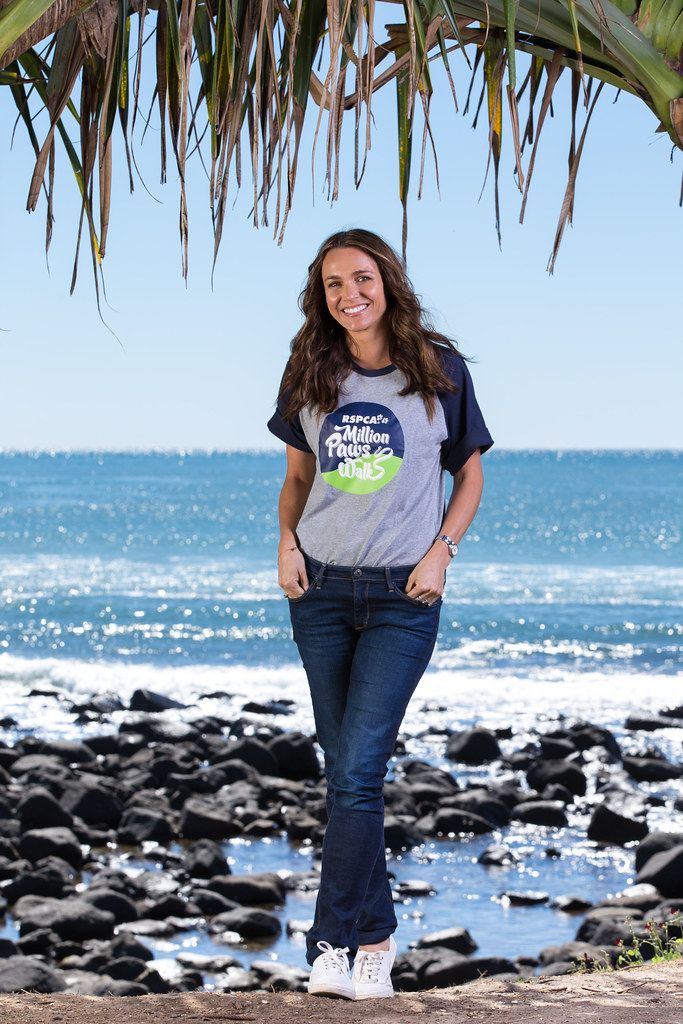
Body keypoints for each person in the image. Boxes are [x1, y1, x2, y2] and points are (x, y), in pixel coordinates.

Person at [266, 228, 494, 1000]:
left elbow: (469, 477)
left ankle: (328, 945)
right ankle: (376, 943)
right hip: (320, 593)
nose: (349, 295)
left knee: (359, 769)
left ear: (387, 282)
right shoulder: (310, 369)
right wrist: (285, 544)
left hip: (403, 598)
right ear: (320, 296)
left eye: (361, 278)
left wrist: (441, 552)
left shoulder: (438, 369)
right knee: (347, 776)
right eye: (333, 284)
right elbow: (298, 479)